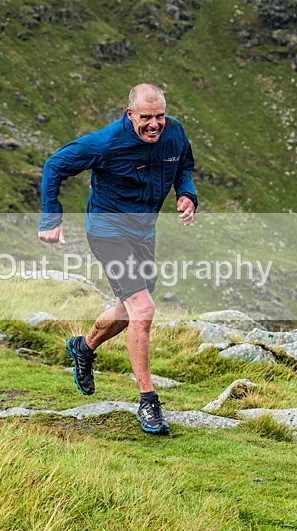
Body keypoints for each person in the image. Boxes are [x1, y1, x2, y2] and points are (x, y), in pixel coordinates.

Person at [38, 83, 197, 435]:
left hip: (143, 233)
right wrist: (51, 218)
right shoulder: (106, 142)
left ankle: (84, 347)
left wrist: (187, 195)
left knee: (126, 312)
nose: (155, 124)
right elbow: (55, 165)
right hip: (108, 232)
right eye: (146, 118)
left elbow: (184, 167)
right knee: (143, 310)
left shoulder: (175, 132)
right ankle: (148, 402)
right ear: (130, 114)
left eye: (160, 116)